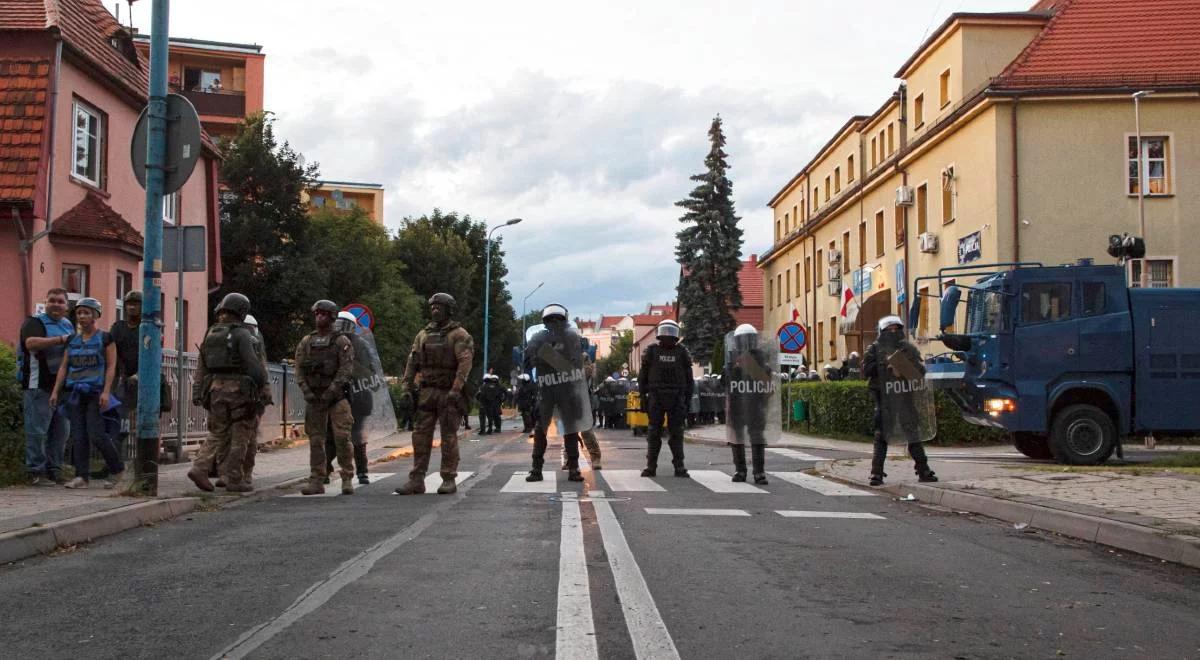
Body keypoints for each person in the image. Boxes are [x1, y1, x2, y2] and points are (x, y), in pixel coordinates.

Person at [394, 293, 474, 495]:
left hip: (448, 392)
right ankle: (417, 479)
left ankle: (448, 478)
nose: (435, 310)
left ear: (449, 310)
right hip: (426, 392)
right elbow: (412, 363)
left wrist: (456, 389)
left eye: (440, 306)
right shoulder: (423, 335)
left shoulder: (459, 335)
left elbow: (464, 364)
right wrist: (406, 388)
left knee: (448, 436)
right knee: (420, 436)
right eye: (433, 307)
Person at [186, 294, 266, 493]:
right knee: (241, 434)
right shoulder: (241, 334)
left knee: (217, 433)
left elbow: (202, 364)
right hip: (239, 391)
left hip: (214, 389)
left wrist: (198, 391)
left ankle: (199, 467)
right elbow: (252, 364)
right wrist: (261, 387)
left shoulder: (211, 333)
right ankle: (234, 478)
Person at [49, 298, 124, 489]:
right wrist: (56, 391)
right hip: (75, 392)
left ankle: (117, 469)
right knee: (78, 436)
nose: (82, 316)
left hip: (95, 392)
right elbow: (64, 367)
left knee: (97, 434)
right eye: (79, 313)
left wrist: (106, 392)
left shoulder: (105, 338)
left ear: (95, 316)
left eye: (87, 313)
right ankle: (81, 476)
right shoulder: (72, 340)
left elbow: (111, 366)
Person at [862, 315, 938, 487]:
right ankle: (876, 473)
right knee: (882, 435)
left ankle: (923, 470)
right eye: (889, 329)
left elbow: (919, 371)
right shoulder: (874, 349)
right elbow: (866, 370)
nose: (893, 332)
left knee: (912, 433)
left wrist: (902, 365)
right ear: (882, 332)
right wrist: (884, 364)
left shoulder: (908, 348)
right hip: (884, 397)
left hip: (904, 395)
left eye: (896, 329)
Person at [294, 300, 356, 496]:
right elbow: (299, 369)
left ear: (331, 317)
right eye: (317, 314)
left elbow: (346, 369)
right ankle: (317, 479)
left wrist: (332, 390)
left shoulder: (341, 341)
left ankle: (347, 477)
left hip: (336, 397)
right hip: (315, 397)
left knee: (342, 437)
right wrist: (307, 391)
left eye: (323, 314)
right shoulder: (307, 342)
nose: (319, 317)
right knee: (316, 440)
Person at [523, 304, 591, 483]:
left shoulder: (571, 338)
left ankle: (574, 467)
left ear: (563, 321)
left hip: (565, 389)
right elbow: (528, 362)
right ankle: (536, 469)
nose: (554, 323)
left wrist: (548, 356)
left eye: (557, 319)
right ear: (545, 322)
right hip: (546, 389)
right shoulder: (537, 338)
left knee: (569, 430)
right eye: (550, 320)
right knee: (541, 430)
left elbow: (575, 367)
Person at [18, 288, 74, 486]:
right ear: (46, 302)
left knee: (61, 432)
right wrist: (60, 340)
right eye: (52, 301)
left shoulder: (68, 324)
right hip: (38, 384)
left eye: (60, 301)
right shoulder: (35, 322)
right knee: (38, 431)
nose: (56, 305)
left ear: (67, 306)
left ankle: (55, 470)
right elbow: (31, 343)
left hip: (62, 388)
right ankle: (35, 472)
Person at [637, 320, 692, 478]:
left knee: (677, 432)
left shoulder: (681, 352)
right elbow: (643, 376)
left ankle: (679, 465)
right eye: (665, 332)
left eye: (670, 333)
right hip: (657, 395)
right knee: (654, 432)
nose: (667, 336)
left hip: (676, 395)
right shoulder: (652, 351)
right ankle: (651, 466)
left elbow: (689, 379)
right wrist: (642, 395)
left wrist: (687, 399)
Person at [724, 324, 776, 484]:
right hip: (737, 405)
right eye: (743, 339)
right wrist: (731, 369)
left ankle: (759, 472)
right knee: (737, 438)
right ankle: (740, 470)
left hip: (755, 406)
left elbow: (767, 384)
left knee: (757, 439)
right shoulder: (731, 359)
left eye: (749, 339)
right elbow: (723, 383)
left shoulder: (761, 359)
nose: (746, 342)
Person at [324, 311, 372, 485]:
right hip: (337, 395)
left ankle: (361, 471)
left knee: (354, 436)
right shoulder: (331, 342)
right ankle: (326, 469)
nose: (340, 328)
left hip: (357, 395)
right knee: (332, 435)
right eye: (338, 324)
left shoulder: (360, 345)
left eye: (343, 324)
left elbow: (369, 370)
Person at [107, 291, 142, 459]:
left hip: (144, 381)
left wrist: (139, 374)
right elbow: (111, 351)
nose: (132, 307)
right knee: (120, 422)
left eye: (136, 303)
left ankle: (143, 462)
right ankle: (115, 462)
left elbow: (154, 355)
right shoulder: (118, 327)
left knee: (145, 423)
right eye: (129, 303)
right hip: (121, 379)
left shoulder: (148, 327)